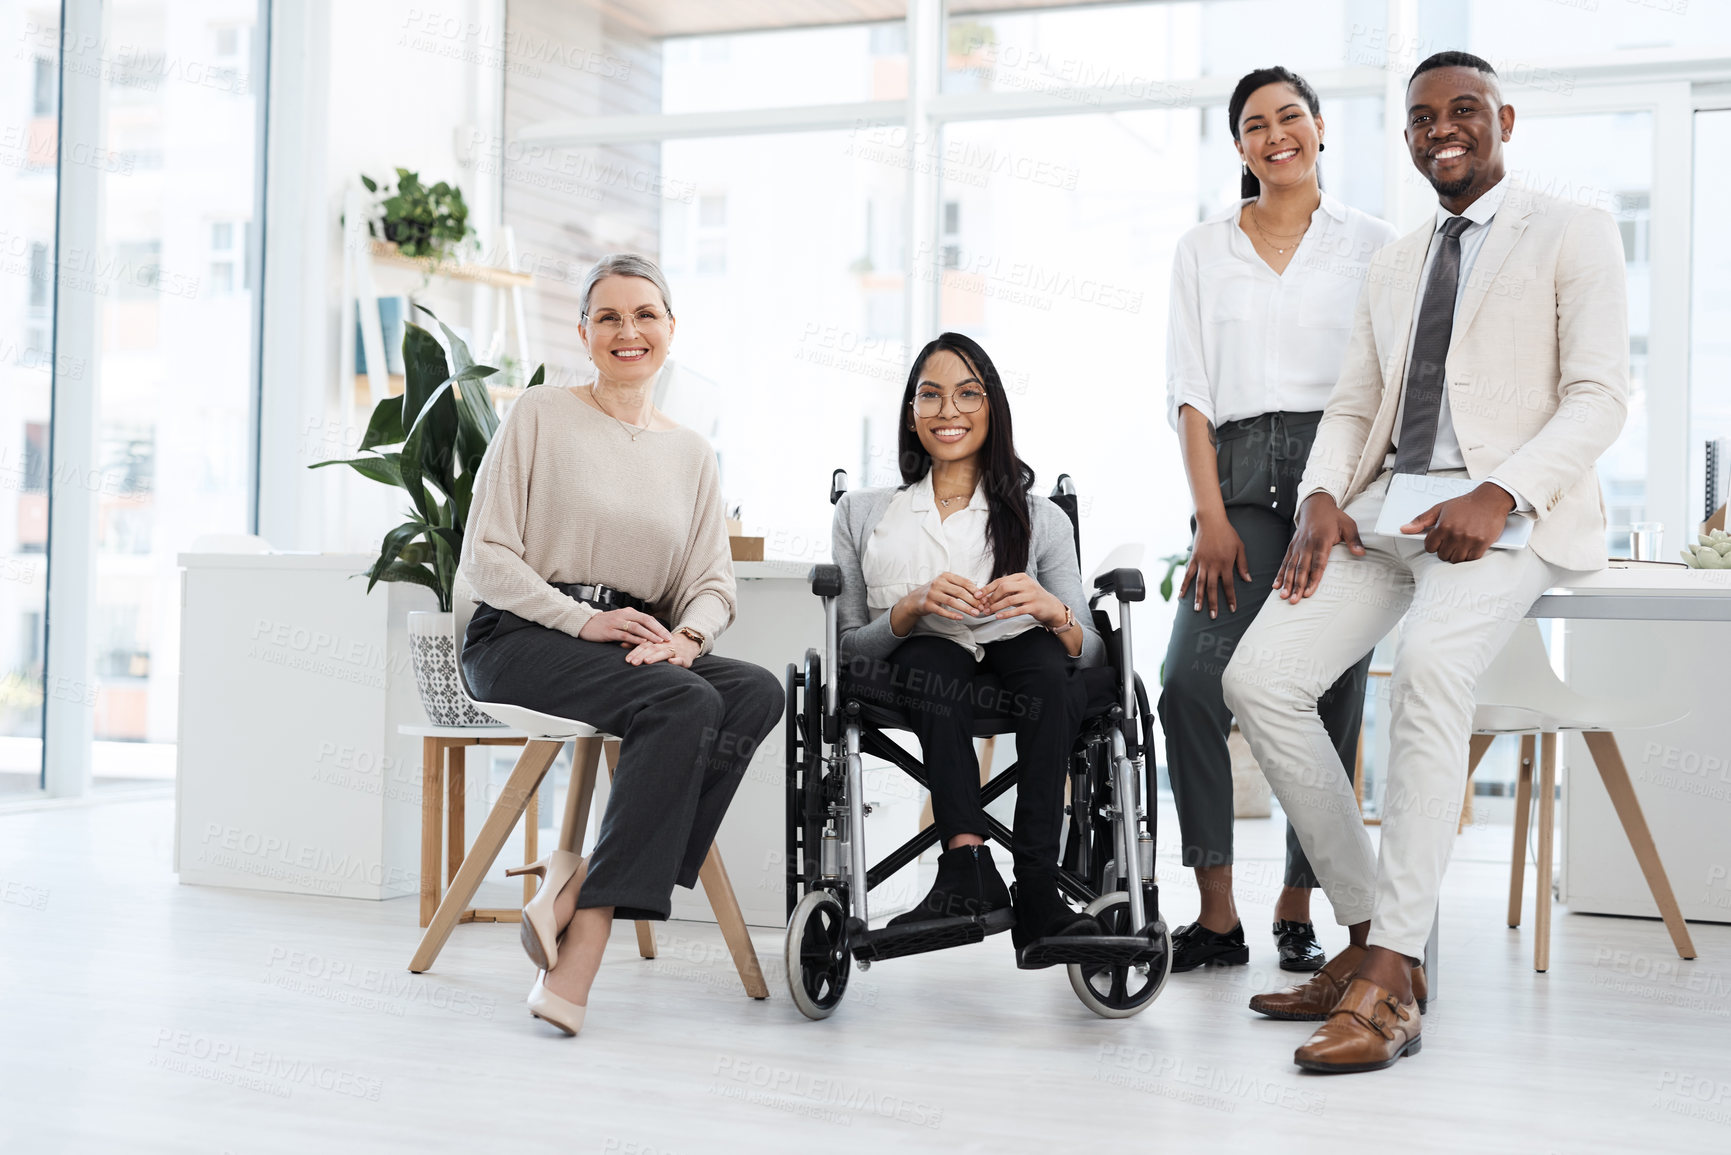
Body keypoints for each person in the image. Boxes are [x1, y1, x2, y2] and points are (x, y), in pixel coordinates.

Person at [1222, 52, 1628, 1072]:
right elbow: (1357, 402)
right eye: (1420, 118)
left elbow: (1599, 395)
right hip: (1382, 513)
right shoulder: (1394, 260)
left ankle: (1394, 970)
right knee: (1258, 678)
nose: (1440, 128)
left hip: (1505, 518)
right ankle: (1371, 940)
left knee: (1433, 675)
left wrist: (1502, 493)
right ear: (1404, 136)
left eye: (1463, 111)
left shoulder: (1571, 230)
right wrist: (1321, 497)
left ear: (1505, 119)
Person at [459, 253, 784, 1036]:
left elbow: (711, 581)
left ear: (671, 330)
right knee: (684, 699)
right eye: (607, 316)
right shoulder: (539, 414)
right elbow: (486, 557)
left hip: (633, 644)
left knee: (754, 690)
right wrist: (581, 620)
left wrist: (689, 637)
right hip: (525, 631)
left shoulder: (690, 454)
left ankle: (574, 886)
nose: (627, 330)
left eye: (645, 315)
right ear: (583, 332)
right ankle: (585, 942)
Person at [1160, 66, 1397, 976]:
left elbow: (1381, 383)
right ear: (1239, 147)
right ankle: (1216, 911)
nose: (1274, 134)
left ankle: (1299, 898)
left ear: (1320, 129)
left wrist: (1343, 493)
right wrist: (1207, 517)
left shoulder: (1372, 243)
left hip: (1337, 476)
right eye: (1254, 124)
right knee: (1187, 678)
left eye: (1289, 116)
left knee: (1326, 691)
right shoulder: (1200, 249)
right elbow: (1186, 393)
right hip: (1233, 475)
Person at [830, 332, 1106, 969]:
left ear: (993, 409)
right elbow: (846, 650)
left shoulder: (1041, 518)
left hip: (1022, 666)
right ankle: (967, 868)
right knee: (934, 660)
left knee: (1051, 672)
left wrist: (1051, 608)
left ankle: (1038, 892)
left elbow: (1089, 651)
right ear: (911, 413)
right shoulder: (863, 512)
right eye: (931, 396)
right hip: (920, 672)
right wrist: (906, 609)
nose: (948, 410)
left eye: (967, 394)